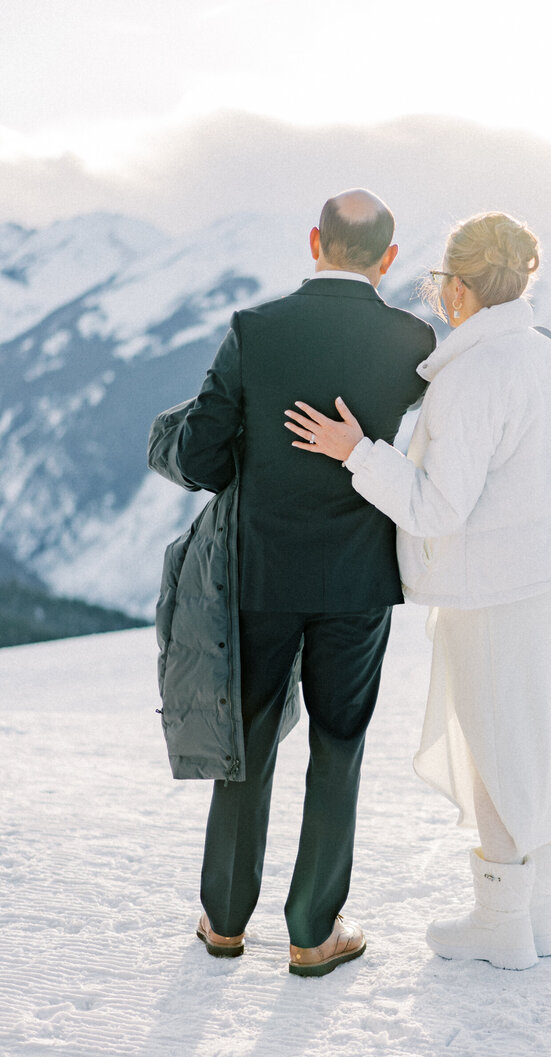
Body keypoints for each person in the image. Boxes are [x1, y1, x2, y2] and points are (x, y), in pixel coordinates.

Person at [285, 211, 551, 970]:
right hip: (533, 580)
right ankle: (534, 916)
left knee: (495, 744)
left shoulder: (477, 374)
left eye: (439, 282)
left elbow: (435, 506)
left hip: (488, 588)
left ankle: (502, 925)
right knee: (528, 740)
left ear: (460, 288)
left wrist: (356, 451)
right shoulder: (539, 354)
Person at [170, 189, 436, 976]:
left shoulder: (256, 330)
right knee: (338, 744)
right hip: (358, 579)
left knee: (245, 744)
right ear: (389, 258)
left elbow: (199, 459)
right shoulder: (412, 339)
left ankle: (223, 920)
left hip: (262, 574)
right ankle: (313, 929)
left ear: (314, 239)